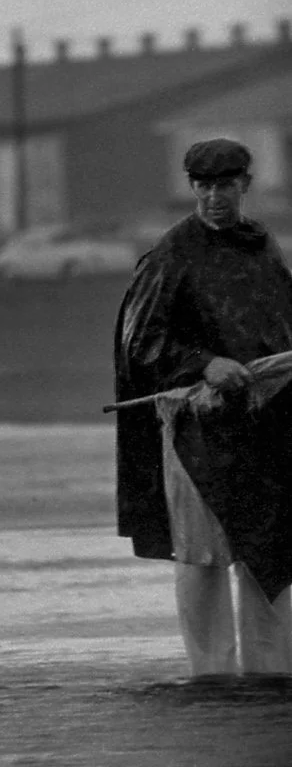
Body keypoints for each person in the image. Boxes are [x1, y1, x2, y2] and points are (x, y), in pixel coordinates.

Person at [114, 137, 292, 677]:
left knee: (271, 550)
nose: (215, 196)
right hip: (196, 426)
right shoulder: (172, 254)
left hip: (265, 421)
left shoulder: (263, 248)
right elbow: (140, 340)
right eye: (205, 186)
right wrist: (204, 363)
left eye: (225, 185)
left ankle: (273, 675)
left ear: (245, 185)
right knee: (203, 555)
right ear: (192, 188)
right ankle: (210, 675)